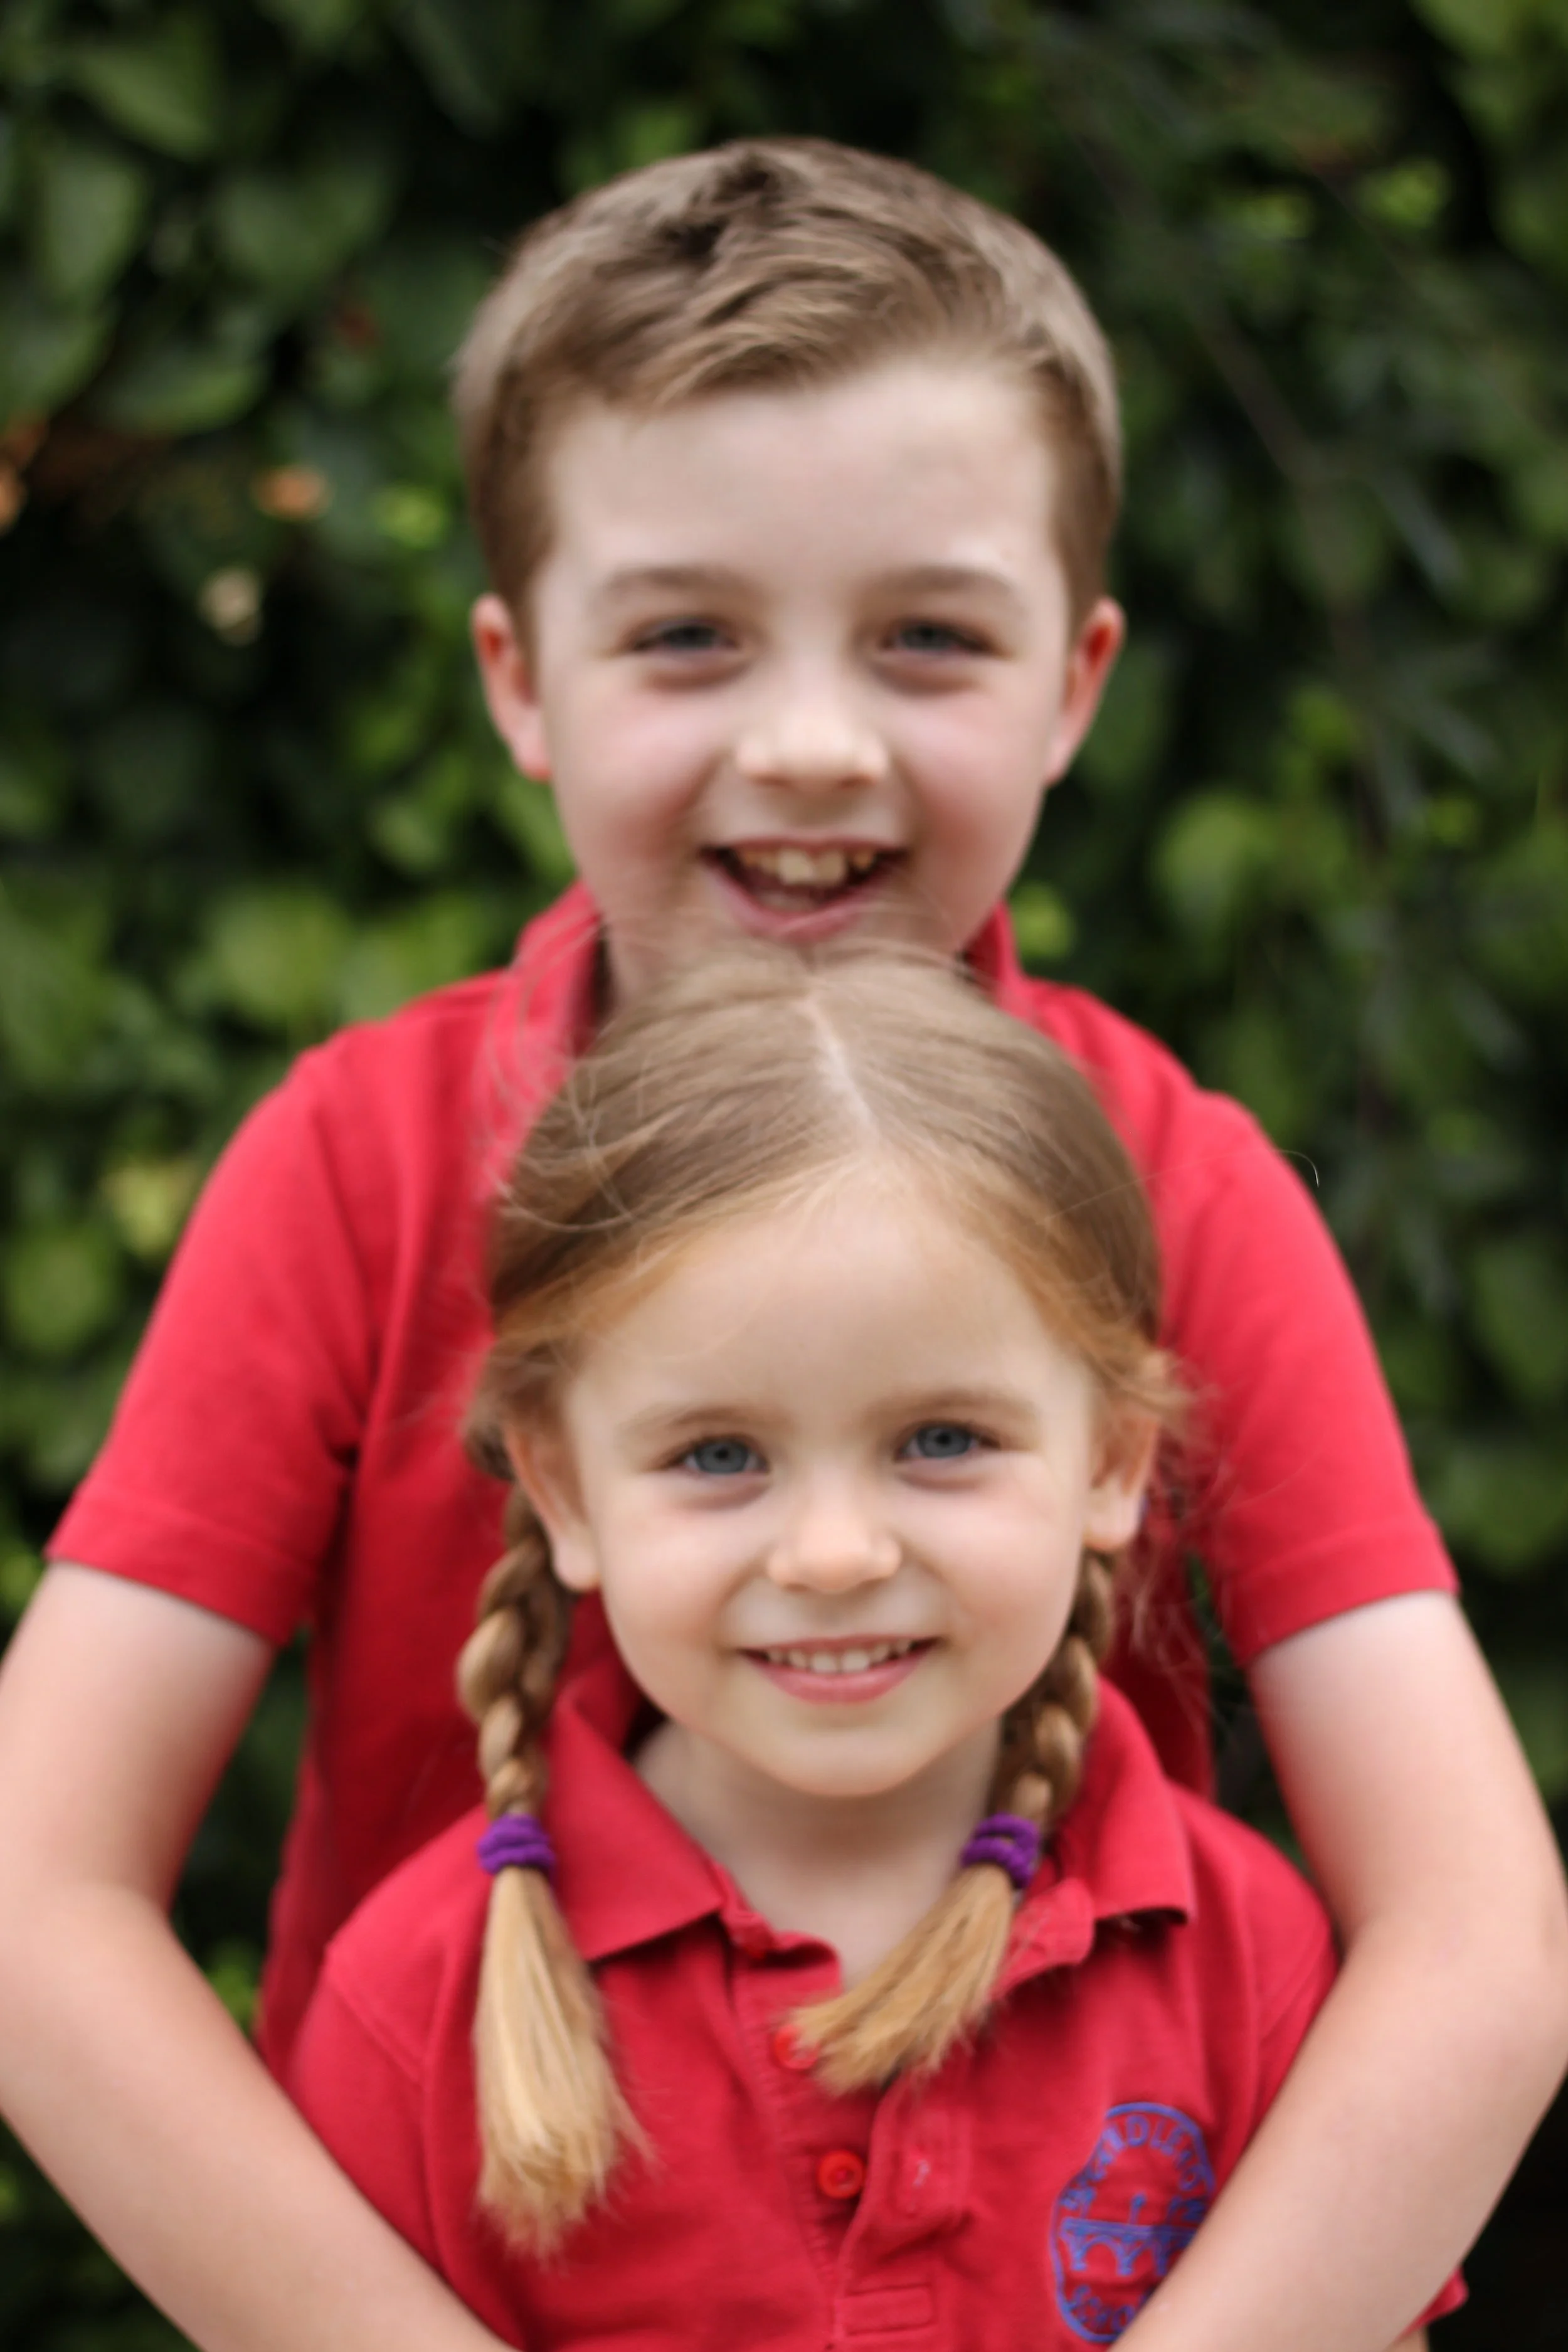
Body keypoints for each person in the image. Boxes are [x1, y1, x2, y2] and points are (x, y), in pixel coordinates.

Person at [0, 137, 1559, 2352]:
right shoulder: (358, 1165)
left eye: (927, 637)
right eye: (685, 636)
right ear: (519, 678)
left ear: (1075, 681)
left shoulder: (1180, 1183)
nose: (811, 742)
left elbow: (1481, 1942)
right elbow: (31, 1902)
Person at [287, 946, 1446, 2351]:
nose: (833, 1555)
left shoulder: (1246, 1964)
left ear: (1109, 1462)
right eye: (719, 1453)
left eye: (941, 1439)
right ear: (565, 1491)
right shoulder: (417, 2006)